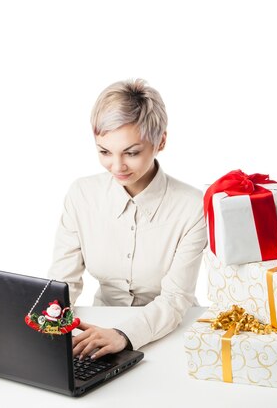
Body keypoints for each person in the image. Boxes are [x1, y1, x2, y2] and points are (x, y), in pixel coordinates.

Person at [47, 78, 207, 360]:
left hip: (173, 335)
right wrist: (48, 330)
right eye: (104, 152)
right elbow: (62, 283)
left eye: (132, 153)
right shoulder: (81, 195)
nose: (117, 166)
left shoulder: (193, 206)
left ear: (161, 141)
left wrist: (123, 335)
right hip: (96, 332)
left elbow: (175, 299)